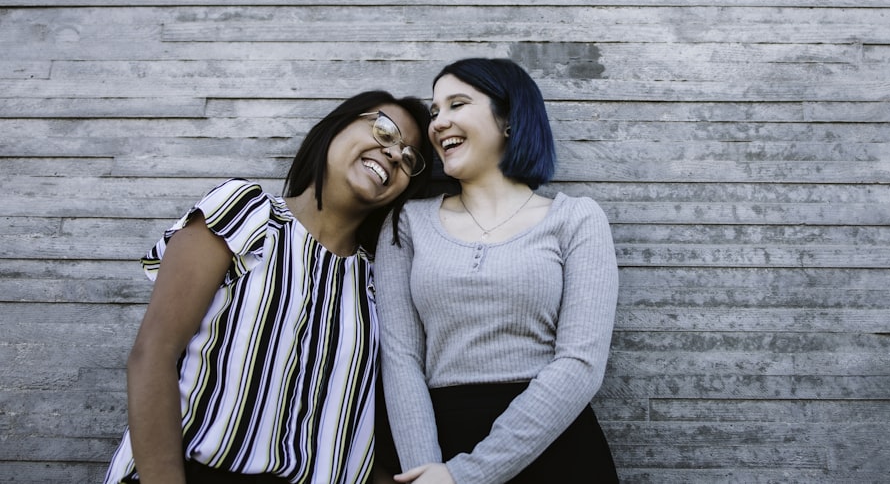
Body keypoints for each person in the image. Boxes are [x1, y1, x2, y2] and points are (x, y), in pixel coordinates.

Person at [104, 90, 434, 484]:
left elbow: (354, 435)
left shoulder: (378, 283)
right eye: (384, 131)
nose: (396, 154)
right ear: (336, 127)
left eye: (410, 158)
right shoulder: (249, 214)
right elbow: (152, 353)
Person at [373, 58, 620, 484]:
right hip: (437, 446)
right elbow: (400, 358)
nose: (437, 123)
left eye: (457, 104)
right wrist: (426, 473)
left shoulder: (576, 218)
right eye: (435, 111)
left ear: (508, 118)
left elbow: (580, 363)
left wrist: (467, 476)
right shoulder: (407, 222)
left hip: (555, 446)